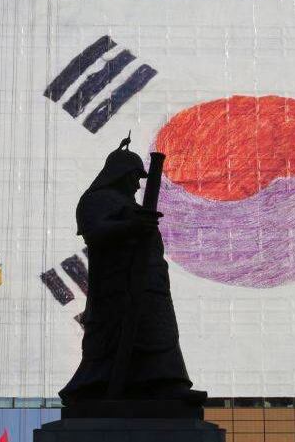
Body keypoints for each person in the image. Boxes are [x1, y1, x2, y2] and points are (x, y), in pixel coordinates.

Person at [59, 137, 205, 407]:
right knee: (111, 338)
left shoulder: (132, 205)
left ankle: (166, 384)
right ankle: (95, 386)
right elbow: (94, 234)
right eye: (134, 177)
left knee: (160, 334)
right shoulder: (96, 200)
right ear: (120, 175)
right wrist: (130, 227)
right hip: (116, 284)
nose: (137, 184)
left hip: (151, 284)